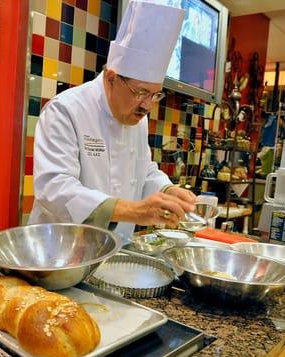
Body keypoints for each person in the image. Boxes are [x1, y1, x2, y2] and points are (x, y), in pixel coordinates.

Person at [28, 0, 196, 243]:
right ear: (111, 78)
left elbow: (143, 170)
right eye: (140, 92)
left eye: (155, 95)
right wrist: (135, 212)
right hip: (59, 252)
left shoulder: (138, 118)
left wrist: (168, 191)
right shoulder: (66, 110)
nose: (147, 105)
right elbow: (55, 189)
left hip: (114, 249)